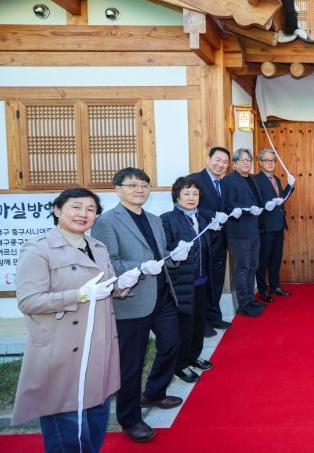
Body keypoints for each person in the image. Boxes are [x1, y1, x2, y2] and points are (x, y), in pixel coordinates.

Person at [12, 188, 138, 451]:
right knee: (67, 432)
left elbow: (104, 288)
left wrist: (122, 285)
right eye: (76, 207)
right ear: (57, 210)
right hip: (62, 351)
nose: (83, 214)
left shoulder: (98, 247)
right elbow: (29, 301)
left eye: (91, 209)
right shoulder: (39, 249)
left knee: (95, 424)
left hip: (99, 347)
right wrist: (79, 295)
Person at [91, 168, 191, 442]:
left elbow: (160, 257)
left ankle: (154, 392)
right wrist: (141, 266)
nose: (140, 190)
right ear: (117, 189)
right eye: (132, 185)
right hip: (132, 300)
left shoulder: (154, 220)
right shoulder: (106, 222)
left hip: (162, 295)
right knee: (131, 363)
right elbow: (107, 263)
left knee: (171, 344)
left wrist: (175, 256)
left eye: (144, 185)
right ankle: (130, 418)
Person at [162, 177, 214, 385]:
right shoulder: (167, 219)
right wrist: (175, 250)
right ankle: (180, 364)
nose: (191, 198)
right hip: (182, 282)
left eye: (195, 194)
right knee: (184, 324)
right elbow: (164, 249)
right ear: (177, 197)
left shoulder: (202, 218)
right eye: (186, 194)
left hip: (202, 279)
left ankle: (193, 356)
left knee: (199, 322)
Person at [189, 147, 232, 336]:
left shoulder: (224, 184)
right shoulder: (194, 180)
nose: (220, 164)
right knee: (202, 280)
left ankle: (214, 315)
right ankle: (202, 322)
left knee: (216, 278)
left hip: (220, 239)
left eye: (225, 162)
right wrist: (212, 215)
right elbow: (188, 205)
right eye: (217, 160)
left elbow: (226, 207)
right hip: (202, 239)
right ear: (208, 159)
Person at [221, 148, 266, 317]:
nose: (246, 163)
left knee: (253, 266)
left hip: (254, 230)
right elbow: (228, 205)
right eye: (242, 160)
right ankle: (244, 304)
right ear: (234, 163)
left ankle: (250, 298)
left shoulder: (252, 179)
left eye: (249, 160)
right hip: (239, 232)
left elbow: (257, 201)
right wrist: (247, 209)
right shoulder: (228, 180)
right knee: (242, 268)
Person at [254, 148, 295, 302]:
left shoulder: (276, 179)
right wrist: (265, 205)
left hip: (278, 224)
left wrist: (290, 186)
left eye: (273, 160)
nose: (270, 163)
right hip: (265, 226)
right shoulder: (256, 180)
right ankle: (263, 290)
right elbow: (255, 202)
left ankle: (275, 286)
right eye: (267, 160)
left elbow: (281, 200)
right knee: (263, 260)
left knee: (276, 258)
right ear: (260, 162)